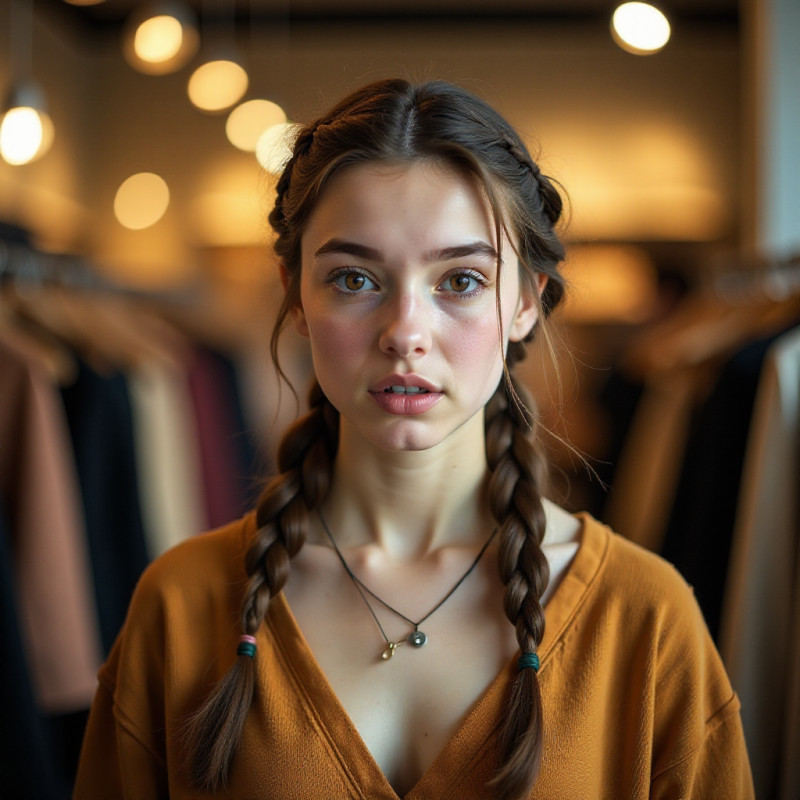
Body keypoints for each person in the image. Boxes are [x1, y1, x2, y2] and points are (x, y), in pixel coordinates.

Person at [73, 78, 754, 799]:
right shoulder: (182, 606)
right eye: (355, 278)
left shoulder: (644, 618)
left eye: (460, 280)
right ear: (294, 294)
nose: (404, 333)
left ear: (525, 301)